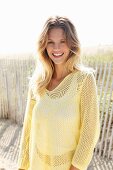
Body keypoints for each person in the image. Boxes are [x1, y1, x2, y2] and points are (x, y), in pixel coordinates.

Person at [17, 16, 100, 170]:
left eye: (63, 42)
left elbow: (90, 131)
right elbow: (28, 128)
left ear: (72, 44)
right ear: (44, 46)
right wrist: (22, 166)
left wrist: (75, 168)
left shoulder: (84, 80)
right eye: (51, 42)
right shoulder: (37, 82)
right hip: (37, 164)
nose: (56, 48)